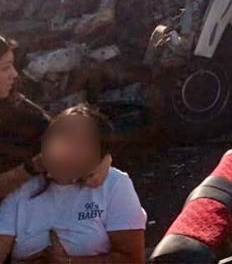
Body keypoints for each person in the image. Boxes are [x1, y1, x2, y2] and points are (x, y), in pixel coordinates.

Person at [0, 105, 146, 264]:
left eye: (80, 140)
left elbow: (132, 259)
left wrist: (68, 262)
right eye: (60, 134)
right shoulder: (22, 187)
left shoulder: (114, 184)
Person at [0, 36, 110, 200]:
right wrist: (32, 167)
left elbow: (56, 131)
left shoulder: (13, 104)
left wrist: (103, 160)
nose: (14, 74)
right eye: (5, 67)